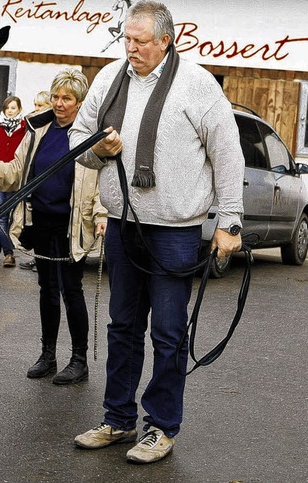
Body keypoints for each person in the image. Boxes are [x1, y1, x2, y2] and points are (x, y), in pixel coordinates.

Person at [69, 1, 244, 464]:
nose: (130, 48)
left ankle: (162, 427)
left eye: (140, 41)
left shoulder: (198, 83)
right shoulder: (108, 79)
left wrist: (229, 221)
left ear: (165, 41)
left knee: (167, 332)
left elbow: (228, 154)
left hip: (176, 230)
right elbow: (77, 138)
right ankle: (118, 418)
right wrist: (99, 149)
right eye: (126, 39)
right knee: (123, 325)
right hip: (123, 223)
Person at [0, 68, 107, 385]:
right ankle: (48, 355)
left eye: (66, 98)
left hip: (72, 225)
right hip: (40, 219)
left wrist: (101, 214)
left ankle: (79, 360)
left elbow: (100, 180)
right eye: (55, 96)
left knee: (71, 290)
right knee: (47, 289)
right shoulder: (38, 130)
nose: (59, 103)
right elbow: (16, 171)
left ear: (79, 102)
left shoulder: (88, 135)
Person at [0, 96, 27, 267]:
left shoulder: (25, 129)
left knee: (9, 216)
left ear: (19, 109)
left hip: (15, 178)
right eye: (7, 108)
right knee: (0, 216)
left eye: (13, 107)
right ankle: (9, 253)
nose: (10, 111)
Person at [19, 91, 53, 272]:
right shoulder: (33, 127)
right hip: (34, 192)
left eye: (40, 106)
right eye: (35, 105)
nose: (36, 109)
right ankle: (38, 259)